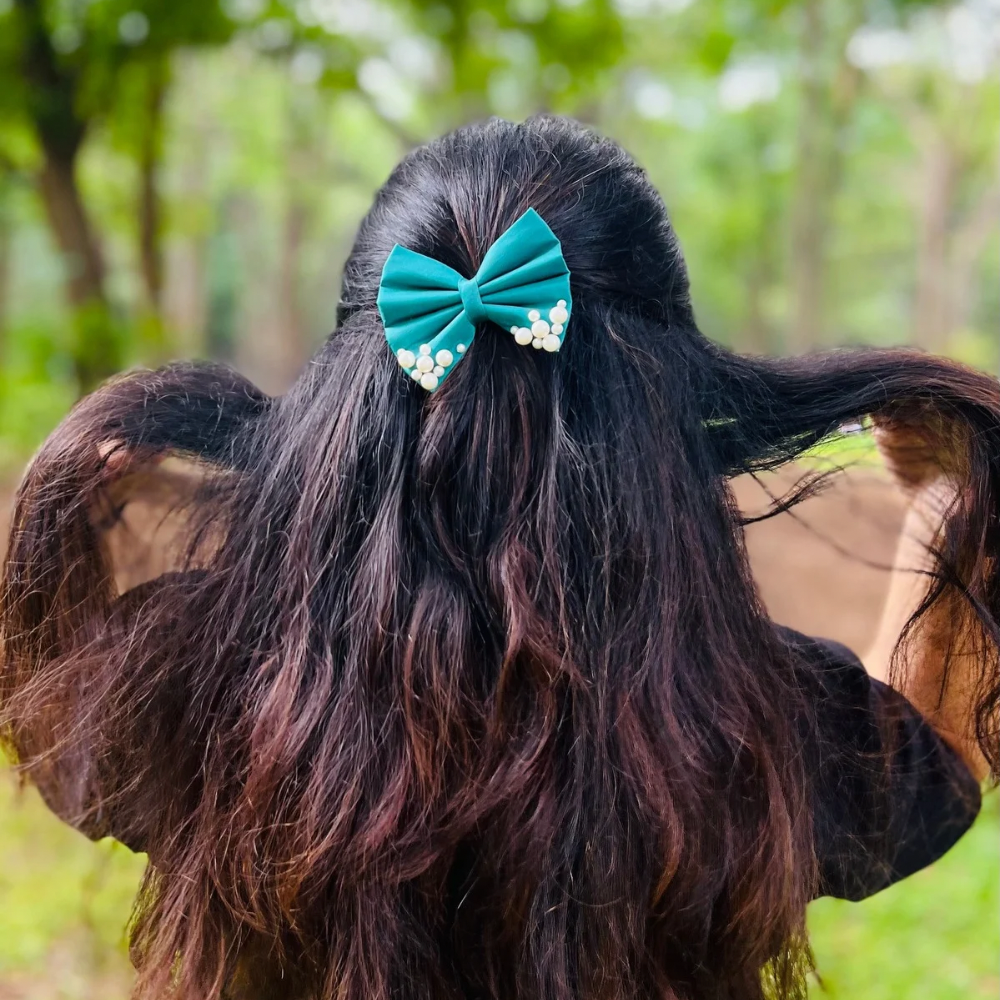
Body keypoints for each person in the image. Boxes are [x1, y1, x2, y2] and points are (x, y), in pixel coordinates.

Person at [0, 116, 996, 1000]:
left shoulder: (199, 679)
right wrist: (943, 509)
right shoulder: (752, 719)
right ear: (662, 417)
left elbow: (50, 720)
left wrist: (64, 540)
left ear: (350, 409)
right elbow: (937, 766)